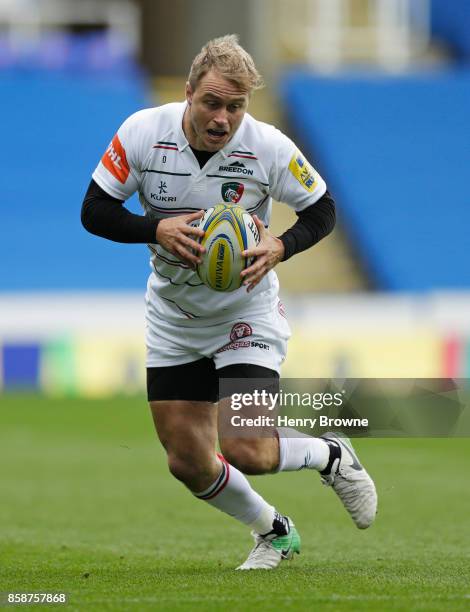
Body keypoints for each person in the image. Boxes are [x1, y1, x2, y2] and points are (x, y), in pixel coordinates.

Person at [81, 34, 377, 570]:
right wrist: (156, 228)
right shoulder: (143, 131)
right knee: (187, 460)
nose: (223, 118)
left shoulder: (268, 147)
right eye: (212, 102)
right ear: (189, 92)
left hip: (247, 310)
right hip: (175, 313)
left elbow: (323, 209)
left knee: (247, 448)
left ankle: (331, 453)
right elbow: (95, 210)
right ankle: (274, 531)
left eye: (236, 106)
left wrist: (281, 246)